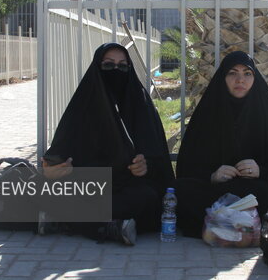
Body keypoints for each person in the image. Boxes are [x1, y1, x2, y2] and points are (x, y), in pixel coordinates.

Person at [42, 43, 174, 245]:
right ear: (97, 67)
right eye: (108, 65)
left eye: (122, 66)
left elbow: (158, 162)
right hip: (89, 188)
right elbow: (56, 157)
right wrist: (53, 170)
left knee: (148, 198)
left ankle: (74, 222)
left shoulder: (141, 105)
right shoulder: (84, 104)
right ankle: (109, 227)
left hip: (129, 189)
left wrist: (144, 166)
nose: (116, 71)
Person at [174, 51, 268, 238]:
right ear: (223, 77)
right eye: (232, 73)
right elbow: (187, 167)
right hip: (216, 191)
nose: (240, 80)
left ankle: (221, 225)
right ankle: (245, 225)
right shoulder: (208, 112)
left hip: (256, 190)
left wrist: (261, 171)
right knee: (183, 191)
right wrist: (213, 175)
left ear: (255, 78)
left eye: (247, 73)